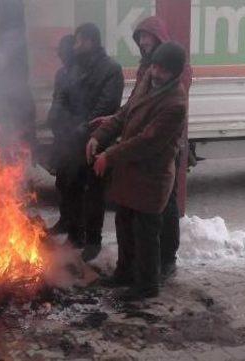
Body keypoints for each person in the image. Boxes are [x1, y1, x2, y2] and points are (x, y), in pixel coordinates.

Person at [90, 16, 192, 279]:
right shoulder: (148, 71)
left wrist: (110, 154)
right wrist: (105, 129)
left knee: (153, 221)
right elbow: (131, 108)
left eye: (148, 37)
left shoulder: (174, 98)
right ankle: (128, 272)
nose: (144, 42)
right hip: (133, 162)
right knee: (125, 219)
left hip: (154, 162)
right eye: (140, 38)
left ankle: (157, 270)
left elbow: (149, 139)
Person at [49, 23, 124, 260]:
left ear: (91, 42)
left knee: (94, 193)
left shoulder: (111, 69)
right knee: (70, 187)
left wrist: (83, 129)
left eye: (80, 41)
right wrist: (59, 121)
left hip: (96, 140)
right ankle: (75, 235)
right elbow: (62, 98)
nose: (76, 46)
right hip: (71, 140)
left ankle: (93, 241)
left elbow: (106, 106)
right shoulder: (74, 68)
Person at [46, 34, 75, 223]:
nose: (61, 56)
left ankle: (76, 229)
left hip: (73, 138)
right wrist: (52, 119)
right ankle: (65, 221)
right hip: (61, 137)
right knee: (61, 183)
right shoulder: (61, 73)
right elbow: (57, 99)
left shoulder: (79, 73)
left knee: (74, 186)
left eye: (63, 52)